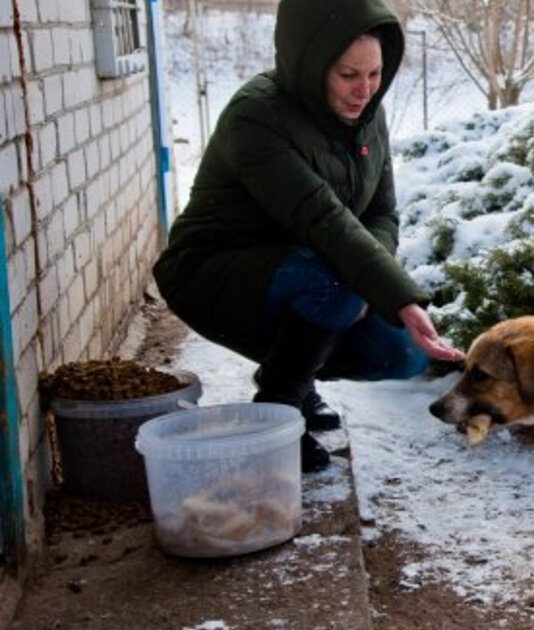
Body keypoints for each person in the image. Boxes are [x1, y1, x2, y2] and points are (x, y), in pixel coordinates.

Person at [153, 0, 463, 473]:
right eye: (348, 75)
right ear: (310, 64)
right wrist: (386, 293)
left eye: (375, 74)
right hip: (212, 271)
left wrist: (369, 286)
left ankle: (294, 373)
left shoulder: (366, 115)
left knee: (399, 354)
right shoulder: (255, 117)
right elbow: (324, 220)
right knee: (334, 285)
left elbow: (382, 213)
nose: (364, 90)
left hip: (306, 265)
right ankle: (280, 410)